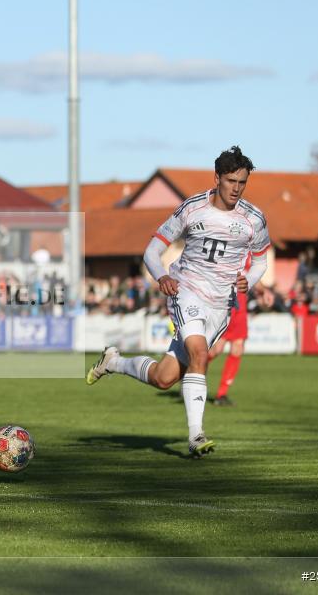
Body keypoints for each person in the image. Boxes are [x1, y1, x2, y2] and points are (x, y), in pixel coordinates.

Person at [86, 146, 270, 457]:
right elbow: (151, 252)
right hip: (187, 291)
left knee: (165, 378)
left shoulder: (254, 219)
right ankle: (197, 436)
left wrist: (247, 281)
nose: (236, 189)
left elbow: (262, 261)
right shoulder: (191, 208)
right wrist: (162, 277)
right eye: (231, 181)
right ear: (217, 178)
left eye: (242, 182)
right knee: (199, 353)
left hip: (221, 305)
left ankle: (114, 362)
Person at [206, 254, 252, 407]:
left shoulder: (253, 248)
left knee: (237, 349)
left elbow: (250, 275)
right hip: (224, 306)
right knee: (216, 349)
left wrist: (264, 291)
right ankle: (191, 374)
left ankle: (221, 394)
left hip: (241, 308)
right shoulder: (228, 244)